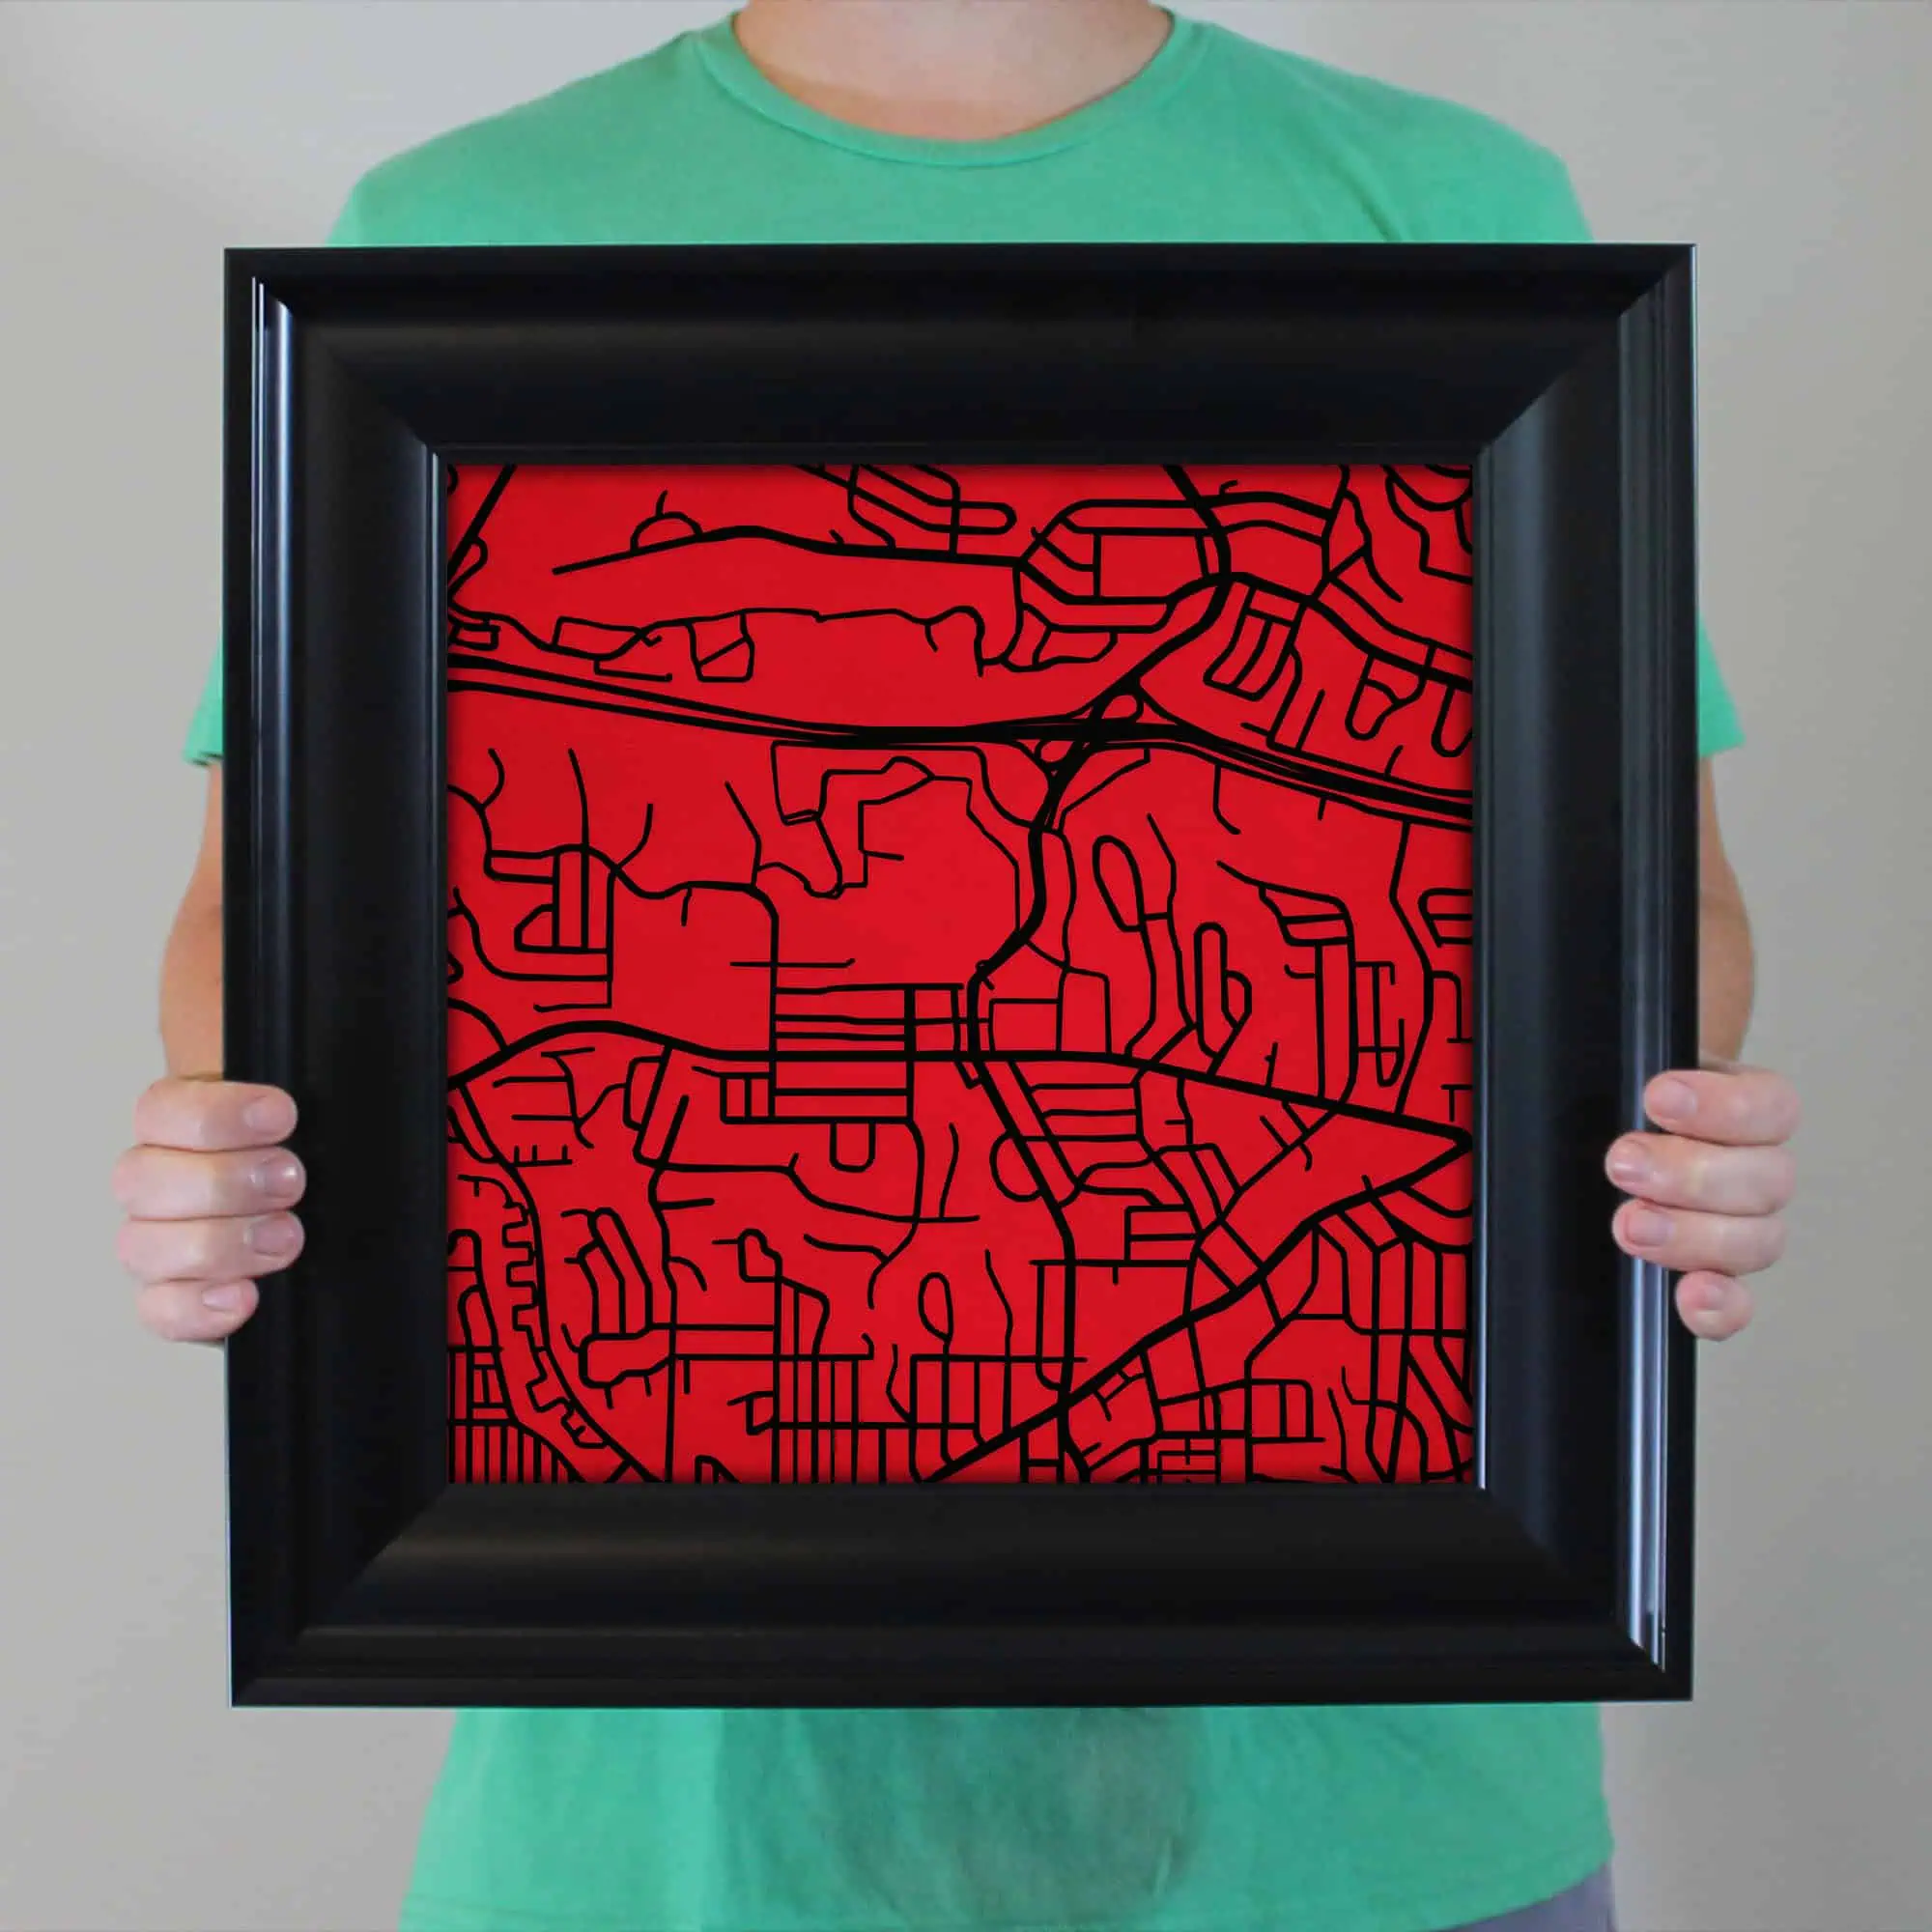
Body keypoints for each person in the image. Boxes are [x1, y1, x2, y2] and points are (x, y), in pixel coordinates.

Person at [111, 4, 1801, 1929]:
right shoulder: (461, 228)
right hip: (683, 1833)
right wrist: (250, 1164)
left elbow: (1648, 898)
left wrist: (1657, 1140)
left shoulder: (1449, 204)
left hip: (1369, 1817)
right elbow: (270, 920)